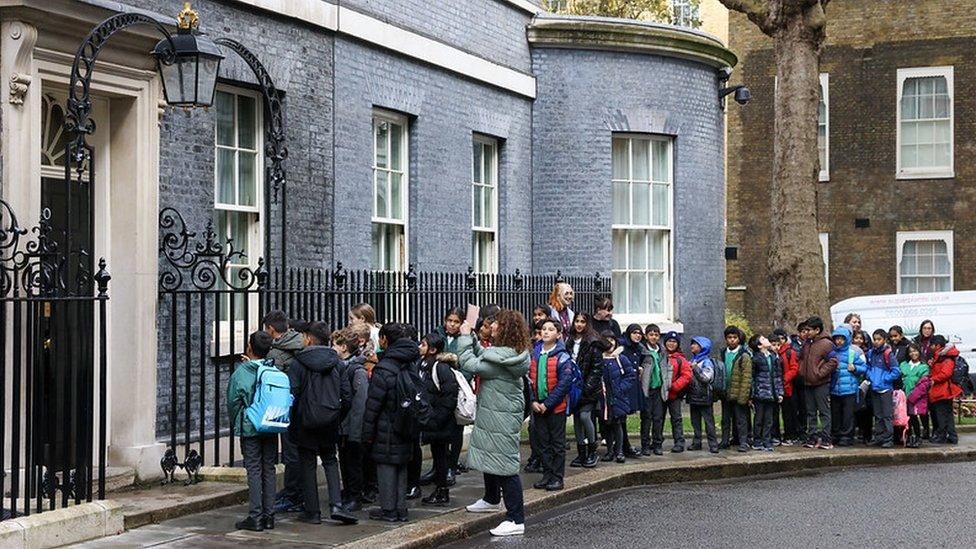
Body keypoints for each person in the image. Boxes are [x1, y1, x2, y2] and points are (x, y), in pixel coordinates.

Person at [458, 310, 531, 538]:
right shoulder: (508, 354)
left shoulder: (502, 358)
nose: (492, 326)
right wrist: (471, 337)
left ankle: (515, 518)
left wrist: (463, 338)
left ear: (506, 329)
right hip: (499, 413)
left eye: (497, 324)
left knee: (506, 467)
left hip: (501, 415)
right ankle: (491, 498)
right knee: (492, 456)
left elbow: (470, 363)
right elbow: (484, 355)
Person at [288, 321, 357, 526]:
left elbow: (293, 393)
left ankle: (312, 511)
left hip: (304, 421)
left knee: (308, 463)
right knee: (330, 459)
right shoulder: (337, 362)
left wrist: (297, 417)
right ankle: (336, 505)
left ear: (309, 338)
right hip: (330, 419)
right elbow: (347, 395)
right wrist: (335, 415)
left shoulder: (298, 363)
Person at [362, 323, 421, 523]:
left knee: (386, 465)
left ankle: (388, 510)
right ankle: (400, 508)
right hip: (406, 423)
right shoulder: (409, 362)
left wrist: (366, 433)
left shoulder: (385, 367)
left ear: (385, 339)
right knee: (401, 464)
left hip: (386, 425)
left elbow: (373, 404)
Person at [227, 331, 278, 532]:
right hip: (271, 424)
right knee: (269, 468)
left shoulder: (242, 372)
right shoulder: (272, 369)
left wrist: (238, 422)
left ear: (250, 347)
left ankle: (255, 516)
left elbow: (233, 402)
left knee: (254, 469)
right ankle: (269, 516)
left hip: (250, 426)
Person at [264, 311, 306, 514]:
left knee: (290, 452)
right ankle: (298, 492)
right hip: (304, 404)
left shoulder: (275, 352)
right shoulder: (302, 342)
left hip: (285, 405)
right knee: (300, 451)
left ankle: (293, 495)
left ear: (271, 329)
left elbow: (272, 380)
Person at [528, 318, 574, 491]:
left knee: (557, 444)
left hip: (555, 407)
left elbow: (564, 384)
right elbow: (529, 380)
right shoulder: (535, 353)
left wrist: (548, 403)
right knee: (542, 443)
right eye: (544, 329)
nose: (546, 332)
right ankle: (547, 474)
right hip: (538, 406)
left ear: (559, 334)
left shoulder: (563, 356)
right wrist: (533, 401)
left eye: (550, 329)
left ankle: (557, 477)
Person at [416, 332, 459, 506]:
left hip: (440, 421)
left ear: (433, 349)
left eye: (423, 344)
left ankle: (442, 491)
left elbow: (450, 395)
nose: (420, 346)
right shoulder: (422, 364)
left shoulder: (440, 367)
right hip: (431, 419)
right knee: (437, 454)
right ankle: (440, 489)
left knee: (441, 456)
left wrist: (437, 418)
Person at [333, 329, 370, 512]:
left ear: (344, 347)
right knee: (345, 462)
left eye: (335, 345)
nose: (332, 348)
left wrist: (355, 431)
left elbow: (360, 404)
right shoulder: (342, 367)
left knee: (353, 463)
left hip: (352, 427)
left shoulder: (357, 371)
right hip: (343, 426)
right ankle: (348, 492)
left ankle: (355, 496)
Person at [435, 308, 467, 484]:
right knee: (438, 428)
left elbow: (468, 362)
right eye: (450, 320)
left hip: (457, 386)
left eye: (456, 321)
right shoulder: (437, 334)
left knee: (456, 428)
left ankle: (452, 467)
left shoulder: (466, 338)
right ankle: (437, 467)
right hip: (438, 386)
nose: (452, 324)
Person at [798, 317, 838, 450]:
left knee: (824, 412)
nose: (806, 332)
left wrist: (820, 373)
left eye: (809, 330)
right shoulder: (807, 343)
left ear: (817, 330)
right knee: (810, 412)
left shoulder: (826, 344)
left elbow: (833, 361)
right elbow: (802, 359)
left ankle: (826, 439)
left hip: (821, 383)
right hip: (807, 382)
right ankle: (812, 437)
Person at [572, 324, 605, 468]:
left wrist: (587, 388)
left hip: (589, 389)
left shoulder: (593, 342)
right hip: (574, 388)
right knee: (577, 420)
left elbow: (597, 368)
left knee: (585, 416)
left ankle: (592, 449)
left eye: (582, 321)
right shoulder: (570, 341)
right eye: (577, 321)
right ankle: (581, 452)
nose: (579, 324)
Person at [601, 331, 637, 463]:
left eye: (612, 340)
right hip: (604, 397)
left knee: (618, 424)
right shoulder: (599, 358)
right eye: (606, 340)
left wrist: (621, 388)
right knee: (607, 425)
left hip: (618, 396)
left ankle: (619, 451)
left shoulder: (621, 358)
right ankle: (610, 451)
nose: (609, 343)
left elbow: (630, 375)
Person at [828, 325, 867, 447]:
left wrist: (855, 368)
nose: (839, 341)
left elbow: (864, 368)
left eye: (842, 338)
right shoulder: (832, 353)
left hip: (849, 389)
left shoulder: (853, 353)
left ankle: (846, 436)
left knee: (848, 415)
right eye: (837, 338)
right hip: (835, 389)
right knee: (836, 413)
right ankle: (836, 434)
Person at [865, 329, 902, 448]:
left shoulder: (888, 354)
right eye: (874, 339)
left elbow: (896, 371)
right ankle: (879, 437)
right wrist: (871, 377)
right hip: (875, 388)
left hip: (885, 389)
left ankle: (888, 438)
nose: (876, 342)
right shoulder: (871, 353)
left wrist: (885, 379)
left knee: (887, 415)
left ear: (884, 340)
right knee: (878, 415)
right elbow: (868, 367)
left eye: (879, 339)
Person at [749, 335, 784, 452]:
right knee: (759, 419)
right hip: (760, 394)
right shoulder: (755, 358)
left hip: (772, 394)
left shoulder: (773, 357)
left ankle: (767, 440)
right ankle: (757, 440)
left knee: (769, 419)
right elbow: (752, 378)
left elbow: (778, 376)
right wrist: (752, 394)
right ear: (759, 346)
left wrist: (780, 392)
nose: (767, 340)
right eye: (763, 339)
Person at [719, 326, 751, 450]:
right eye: (729, 338)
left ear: (738, 339)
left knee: (740, 419)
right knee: (725, 419)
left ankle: (743, 442)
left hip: (738, 393)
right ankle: (725, 440)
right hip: (726, 391)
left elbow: (747, 377)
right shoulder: (723, 352)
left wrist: (744, 396)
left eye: (734, 337)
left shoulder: (744, 355)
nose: (732, 340)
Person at [618, 324, 647, 458]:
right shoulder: (623, 348)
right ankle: (622, 446)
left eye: (639, 333)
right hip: (624, 386)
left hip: (633, 385)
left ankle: (625, 445)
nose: (637, 336)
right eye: (635, 333)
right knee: (620, 417)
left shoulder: (638, 348)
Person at [686, 336, 719, 453]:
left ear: (702, 347)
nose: (692, 346)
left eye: (695, 344)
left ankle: (713, 444)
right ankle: (696, 442)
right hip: (693, 396)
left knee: (709, 422)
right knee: (695, 422)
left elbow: (706, 378)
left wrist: (695, 369)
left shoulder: (706, 362)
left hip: (705, 397)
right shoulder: (692, 360)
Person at [660, 332, 692, 453]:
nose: (671, 344)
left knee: (676, 418)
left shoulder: (680, 359)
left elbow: (686, 375)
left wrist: (674, 386)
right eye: (669, 341)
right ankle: (657, 441)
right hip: (661, 393)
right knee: (658, 418)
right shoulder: (660, 355)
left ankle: (679, 442)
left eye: (674, 341)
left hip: (674, 395)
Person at [927, 335, 960, 445]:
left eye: (932, 345)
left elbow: (946, 373)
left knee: (941, 415)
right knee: (948, 415)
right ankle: (952, 436)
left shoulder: (945, 357)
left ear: (937, 346)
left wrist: (933, 379)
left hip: (942, 391)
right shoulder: (942, 356)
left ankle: (941, 437)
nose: (930, 347)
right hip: (944, 390)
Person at [773, 328, 801, 445]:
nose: (780, 342)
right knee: (774, 414)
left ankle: (790, 435)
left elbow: (794, 369)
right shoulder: (772, 353)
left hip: (788, 387)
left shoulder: (790, 352)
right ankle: (776, 435)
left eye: (782, 338)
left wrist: (784, 379)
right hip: (775, 388)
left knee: (788, 413)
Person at [639, 324, 664, 455]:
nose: (654, 337)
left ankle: (657, 444)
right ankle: (645, 445)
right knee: (646, 418)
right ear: (646, 336)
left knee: (658, 418)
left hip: (659, 389)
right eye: (651, 334)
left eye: (656, 335)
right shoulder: (643, 351)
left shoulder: (661, 351)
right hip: (647, 390)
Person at [900, 344, 929, 448]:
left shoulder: (923, 367)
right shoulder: (903, 365)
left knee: (914, 416)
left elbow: (924, 384)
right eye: (911, 352)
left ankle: (918, 437)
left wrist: (912, 397)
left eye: (915, 351)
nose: (913, 353)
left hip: (917, 397)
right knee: (908, 418)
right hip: (904, 396)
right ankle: (908, 437)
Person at [907, 374, 932, 448]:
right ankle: (921, 435)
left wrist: (908, 400)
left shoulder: (922, 384)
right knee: (919, 420)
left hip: (916, 405)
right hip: (921, 406)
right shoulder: (926, 383)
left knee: (913, 420)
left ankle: (917, 437)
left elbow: (915, 395)